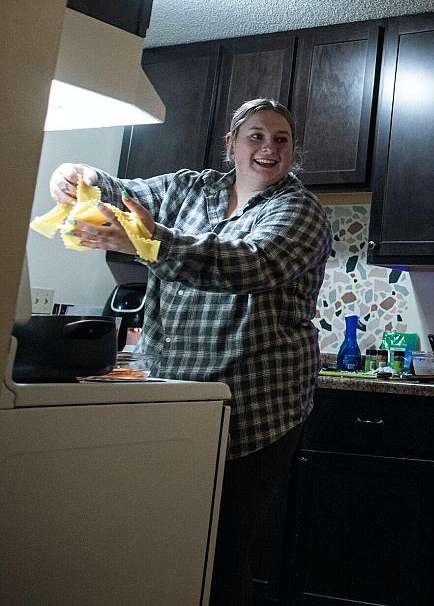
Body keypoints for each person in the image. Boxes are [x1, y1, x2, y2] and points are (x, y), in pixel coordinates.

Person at [50, 98, 332, 605]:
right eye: (256, 135)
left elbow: (250, 264)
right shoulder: (188, 188)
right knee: (169, 545)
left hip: (254, 407)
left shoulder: (299, 209)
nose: (268, 147)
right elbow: (123, 191)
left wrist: (150, 242)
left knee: (220, 552)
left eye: (281, 139)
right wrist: (79, 175)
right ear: (231, 145)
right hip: (173, 399)